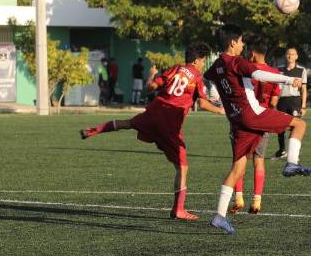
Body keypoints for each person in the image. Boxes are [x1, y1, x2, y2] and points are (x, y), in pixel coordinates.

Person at [79, 42, 224, 220]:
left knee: (127, 123)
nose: (203, 64)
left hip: (155, 111)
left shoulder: (175, 69)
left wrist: (151, 75)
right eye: (203, 61)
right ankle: (178, 209)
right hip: (170, 121)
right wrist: (220, 110)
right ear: (196, 61)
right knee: (182, 167)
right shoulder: (197, 78)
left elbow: (151, 88)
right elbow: (202, 103)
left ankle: (93, 130)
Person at [204, 25, 311, 234]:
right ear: (233, 42)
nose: (243, 44)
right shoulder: (236, 62)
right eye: (241, 40)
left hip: (236, 119)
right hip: (251, 113)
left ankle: (219, 215)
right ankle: (291, 163)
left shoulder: (217, 64)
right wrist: (290, 79)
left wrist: (214, 94)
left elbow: (207, 77)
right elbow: (261, 73)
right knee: (299, 124)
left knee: (237, 169)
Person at [230, 35, 282, 215]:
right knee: (259, 161)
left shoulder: (246, 70)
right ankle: (257, 201)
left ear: (252, 53)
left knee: (240, 160)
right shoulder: (275, 73)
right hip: (263, 120)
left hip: (243, 119)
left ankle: (238, 197)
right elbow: (274, 102)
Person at [272, 46, 308, 160]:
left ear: (296, 56)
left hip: (295, 101)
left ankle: (294, 152)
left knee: (295, 126)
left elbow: (303, 89)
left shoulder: (301, 70)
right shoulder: (279, 70)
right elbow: (276, 87)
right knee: (280, 126)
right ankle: (282, 150)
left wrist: (303, 106)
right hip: (282, 101)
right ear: (285, 56)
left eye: (293, 54)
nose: (290, 56)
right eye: (288, 54)